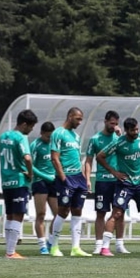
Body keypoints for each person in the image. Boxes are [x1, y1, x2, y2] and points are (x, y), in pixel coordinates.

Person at [97, 117, 140, 255]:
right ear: (127, 130)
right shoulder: (119, 143)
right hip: (125, 184)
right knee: (116, 214)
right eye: (133, 130)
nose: (136, 132)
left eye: (137, 129)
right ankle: (104, 248)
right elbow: (100, 156)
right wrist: (114, 172)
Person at [47, 107, 91, 257]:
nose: (80, 122)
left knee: (77, 210)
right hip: (65, 177)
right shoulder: (58, 133)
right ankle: (54, 246)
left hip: (78, 177)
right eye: (78, 119)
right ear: (70, 116)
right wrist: (63, 178)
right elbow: (55, 157)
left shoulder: (76, 136)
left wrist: (85, 177)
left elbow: (78, 159)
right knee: (63, 211)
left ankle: (76, 248)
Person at [85, 111, 130, 256]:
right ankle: (99, 244)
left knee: (120, 213)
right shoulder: (95, 139)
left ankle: (119, 244)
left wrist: (120, 136)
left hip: (118, 181)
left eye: (116, 123)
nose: (114, 126)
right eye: (112, 123)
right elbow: (89, 160)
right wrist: (87, 179)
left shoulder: (120, 139)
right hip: (102, 181)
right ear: (105, 122)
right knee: (101, 213)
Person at [0, 109, 37, 259]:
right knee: (18, 215)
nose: (32, 129)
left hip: (6, 181)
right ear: (24, 124)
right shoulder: (20, 137)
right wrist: (30, 173)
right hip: (19, 180)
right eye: (31, 126)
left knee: (9, 215)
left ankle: (9, 250)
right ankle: (10, 252)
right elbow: (27, 158)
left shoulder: (3, 136)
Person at [30, 122, 58, 255]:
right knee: (41, 214)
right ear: (41, 133)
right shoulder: (35, 145)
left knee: (58, 214)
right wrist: (45, 176)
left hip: (53, 182)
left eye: (51, 137)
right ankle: (42, 245)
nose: (49, 139)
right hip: (40, 182)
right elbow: (30, 166)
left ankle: (51, 242)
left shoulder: (55, 145)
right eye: (47, 137)